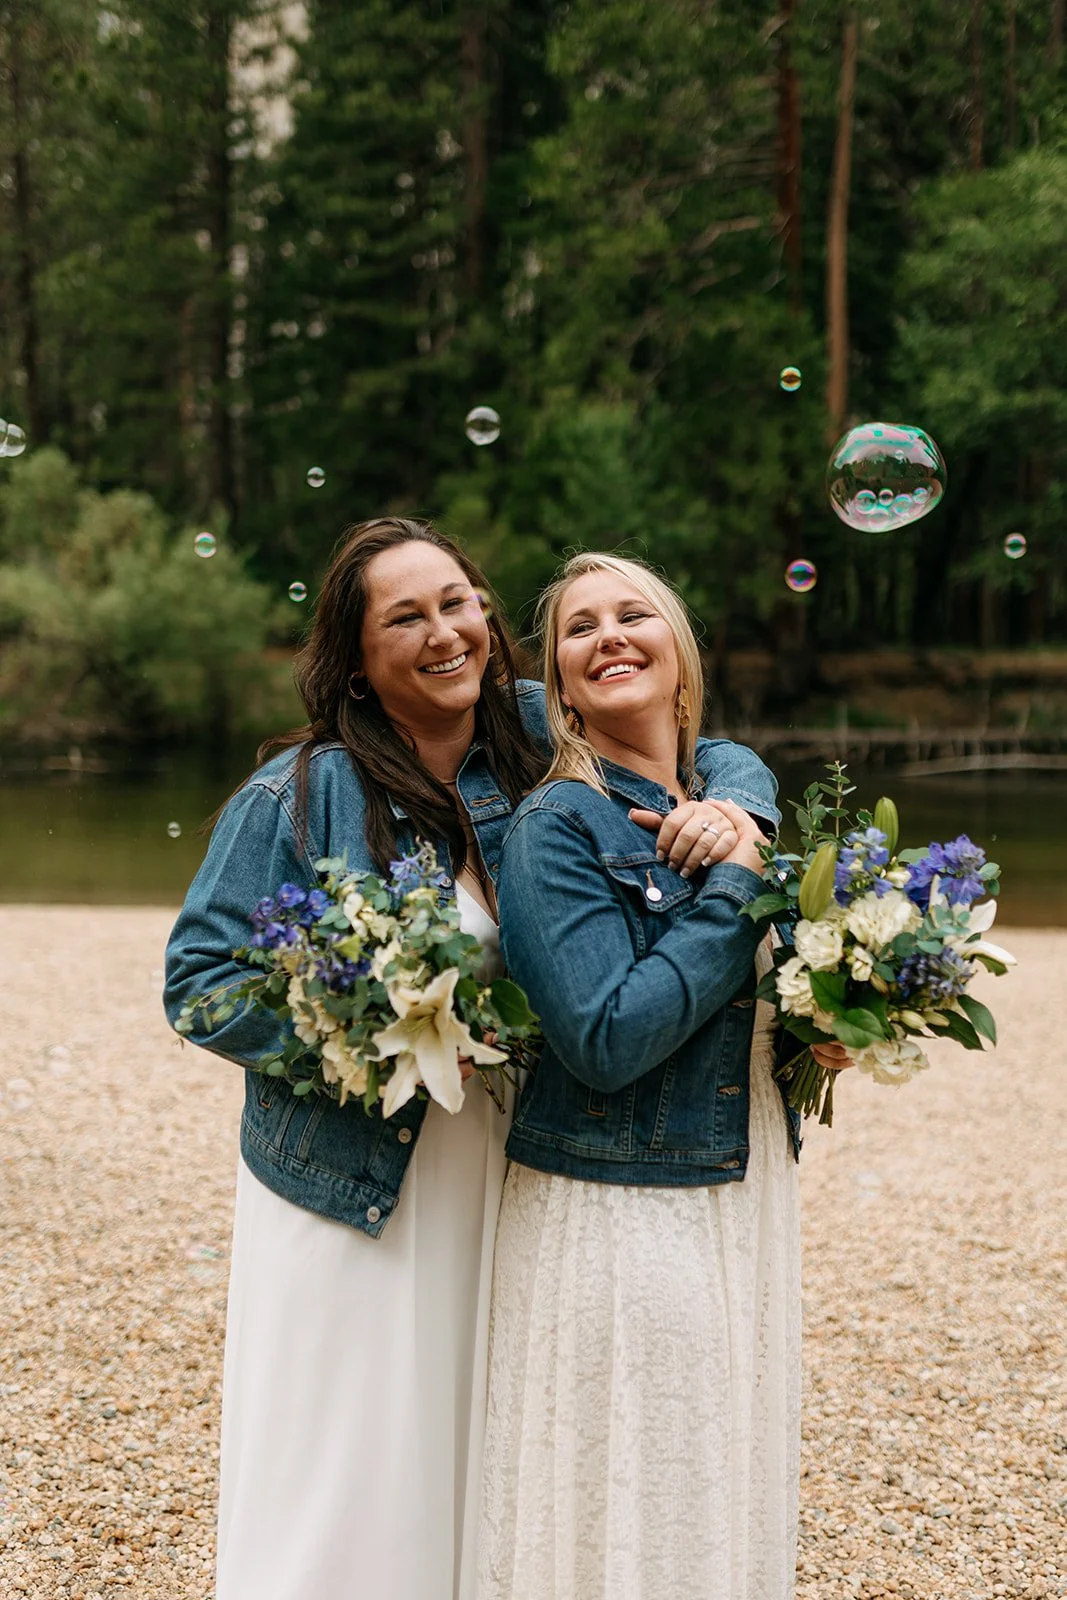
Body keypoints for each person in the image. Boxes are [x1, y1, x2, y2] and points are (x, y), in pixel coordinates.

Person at [162, 518, 781, 1600]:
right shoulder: (294, 795)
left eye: (457, 601)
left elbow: (694, 739)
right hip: (354, 1176)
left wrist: (744, 809)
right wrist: (350, 1034)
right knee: (350, 1451)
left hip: (501, 1161)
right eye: (405, 616)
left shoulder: (534, 734)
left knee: (476, 1438)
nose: (444, 632)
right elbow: (197, 981)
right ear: (356, 659)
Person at [478, 551, 851, 1600]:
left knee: (712, 1477)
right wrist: (735, 889)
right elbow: (602, 1036)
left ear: (678, 660)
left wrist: (824, 1025)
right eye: (579, 627)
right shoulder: (555, 824)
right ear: (556, 683)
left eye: (632, 613)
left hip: (739, 1185)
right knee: (635, 1493)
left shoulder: (732, 795)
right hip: (619, 1208)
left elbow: (728, 1012)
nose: (607, 635)